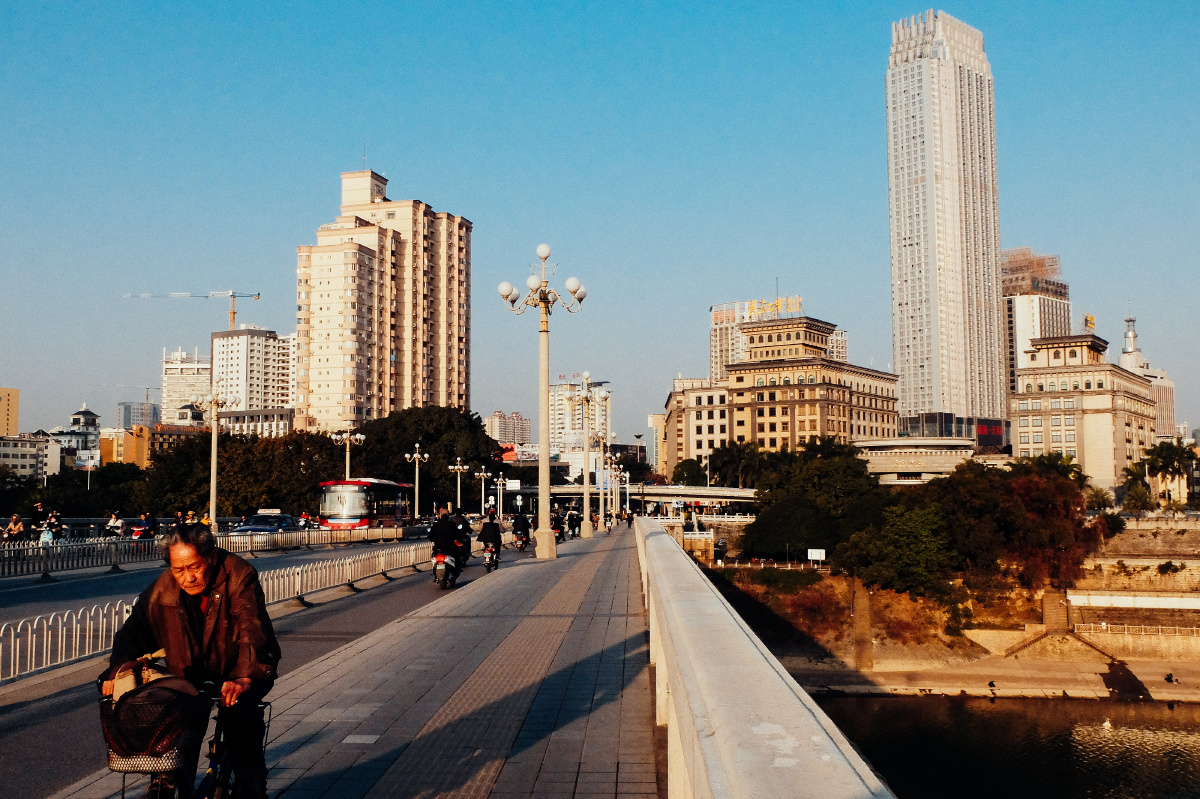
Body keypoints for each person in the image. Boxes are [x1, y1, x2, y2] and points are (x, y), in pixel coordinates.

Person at [100, 523, 279, 799]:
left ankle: (252, 783)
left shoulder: (239, 574)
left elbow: (251, 626)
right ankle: (164, 779)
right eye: (178, 570)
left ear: (210, 557)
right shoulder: (162, 589)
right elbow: (133, 632)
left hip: (239, 665)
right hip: (187, 672)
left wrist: (245, 676)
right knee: (166, 716)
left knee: (241, 716)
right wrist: (117, 671)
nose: (188, 577)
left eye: (194, 567)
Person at [429, 506, 463, 578]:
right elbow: (458, 534)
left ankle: (435, 574)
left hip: (438, 547)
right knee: (457, 555)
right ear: (448, 516)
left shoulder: (436, 525)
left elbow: (430, 536)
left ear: (441, 515)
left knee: (433, 555)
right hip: (449, 547)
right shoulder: (451, 524)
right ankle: (457, 568)